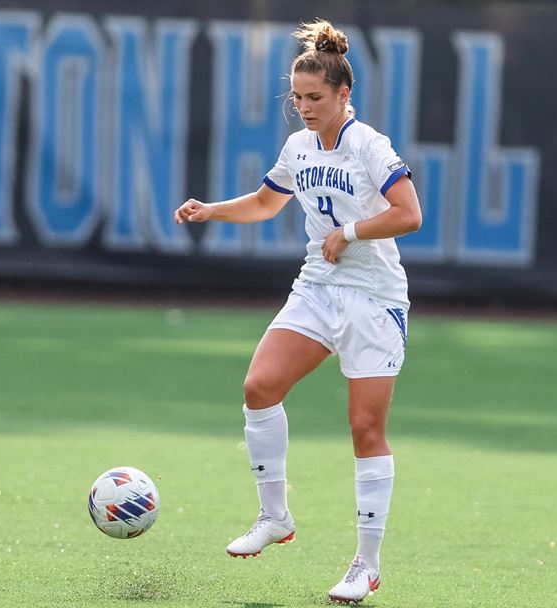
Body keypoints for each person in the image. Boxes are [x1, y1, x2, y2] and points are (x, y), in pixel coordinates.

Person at [173, 19, 421, 605]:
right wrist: (210, 210)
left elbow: (409, 214)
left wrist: (352, 231)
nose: (305, 108)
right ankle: (275, 516)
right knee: (259, 386)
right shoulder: (297, 146)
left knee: (365, 429)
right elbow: (265, 204)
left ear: (343, 95)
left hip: (375, 299)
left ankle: (366, 564)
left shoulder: (369, 145)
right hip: (317, 286)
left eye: (315, 98)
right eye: (298, 98)